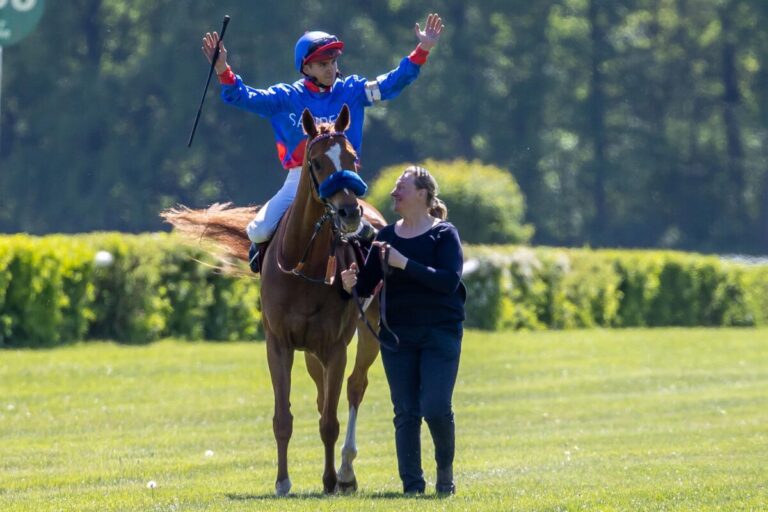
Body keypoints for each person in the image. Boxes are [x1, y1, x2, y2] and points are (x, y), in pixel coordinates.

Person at [201, 14, 444, 271]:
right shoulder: (286, 97)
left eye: (332, 62)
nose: (330, 68)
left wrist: (423, 49)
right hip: (301, 179)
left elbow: (392, 83)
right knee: (258, 232)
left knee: (376, 231)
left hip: (345, 179)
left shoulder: (353, 90)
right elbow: (243, 97)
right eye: (322, 64)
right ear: (306, 68)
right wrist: (222, 69)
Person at [340, 165, 466, 495]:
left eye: (402, 187)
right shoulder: (385, 238)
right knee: (406, 412)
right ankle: (412, 487)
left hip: (440, 333)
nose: (395, 193)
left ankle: (445, 473)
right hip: (398, 335)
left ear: (422, 194)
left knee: (436, 407)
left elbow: (449, 281)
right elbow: (366, 285)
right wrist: (348, 283)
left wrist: (404, 263)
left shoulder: (444, 234)